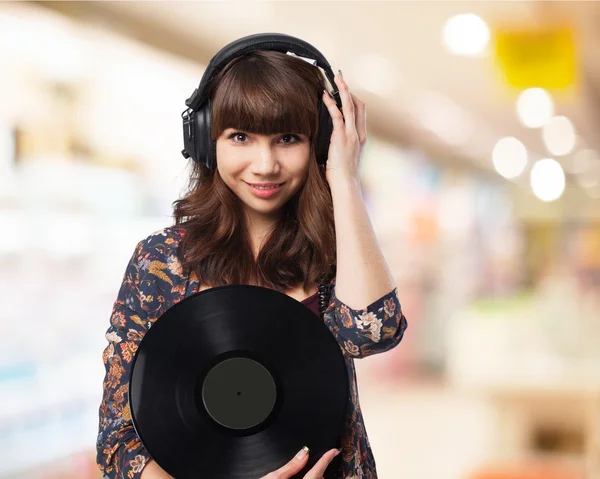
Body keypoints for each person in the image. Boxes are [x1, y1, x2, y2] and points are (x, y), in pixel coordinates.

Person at [96, 47, 407, 479]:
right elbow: (118, 440)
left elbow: (373, 332)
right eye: (241, 137)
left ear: (318, 143)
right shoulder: (160, 262)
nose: (265, 166)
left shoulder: (339, 253)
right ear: (206, 139)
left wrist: (344, 175)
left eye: (288, 138)